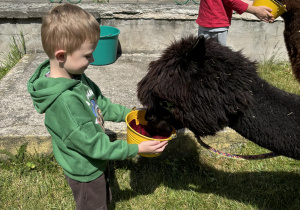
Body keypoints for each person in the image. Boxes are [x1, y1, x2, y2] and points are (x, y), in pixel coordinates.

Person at [27, 3, 168, 210]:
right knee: (92, 204)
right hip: (85, 170)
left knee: (102, 197)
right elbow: (94, 146)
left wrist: (130, 114)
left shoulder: (76, 76)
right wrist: (136, 148)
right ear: (61, 56)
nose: (92, 60)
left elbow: (99, 103)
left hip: (95, 161)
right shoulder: (65, 102)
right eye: (87, 55)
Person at [196, 0, 275, 46]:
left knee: (204, 54)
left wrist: (253, 5)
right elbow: (231, 1)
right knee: (218, 57)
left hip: (206, 22)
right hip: (216, 25)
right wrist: (255, 10)